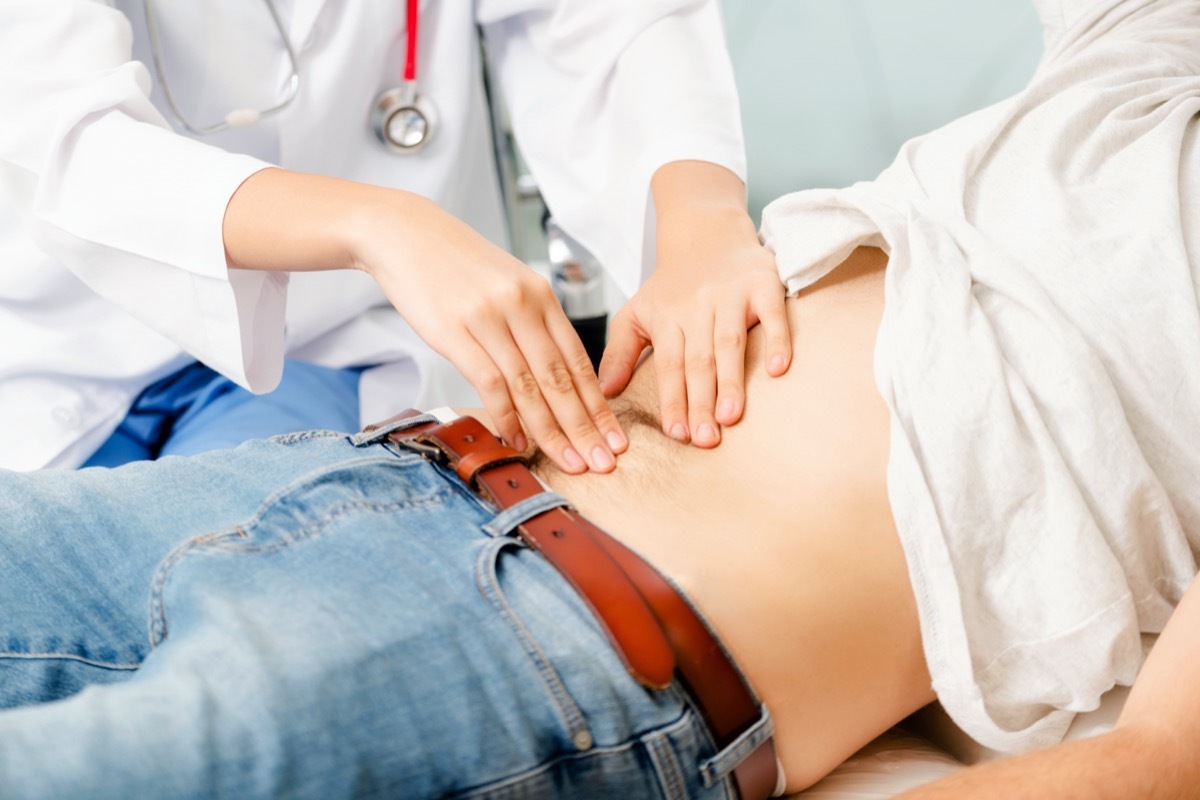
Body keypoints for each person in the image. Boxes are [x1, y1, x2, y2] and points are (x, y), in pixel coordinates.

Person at [1, 0, 1197, 797]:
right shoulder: (1143, 60)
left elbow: (1156, 756)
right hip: (374, 466)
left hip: (580, 645)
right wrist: (700, 218)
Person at [0, 0, 791, 473]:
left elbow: (610, 19)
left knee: (265, 602)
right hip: (49, 346)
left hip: (330, 342)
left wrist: (702, 219)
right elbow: (66, 137)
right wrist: (378, 223)